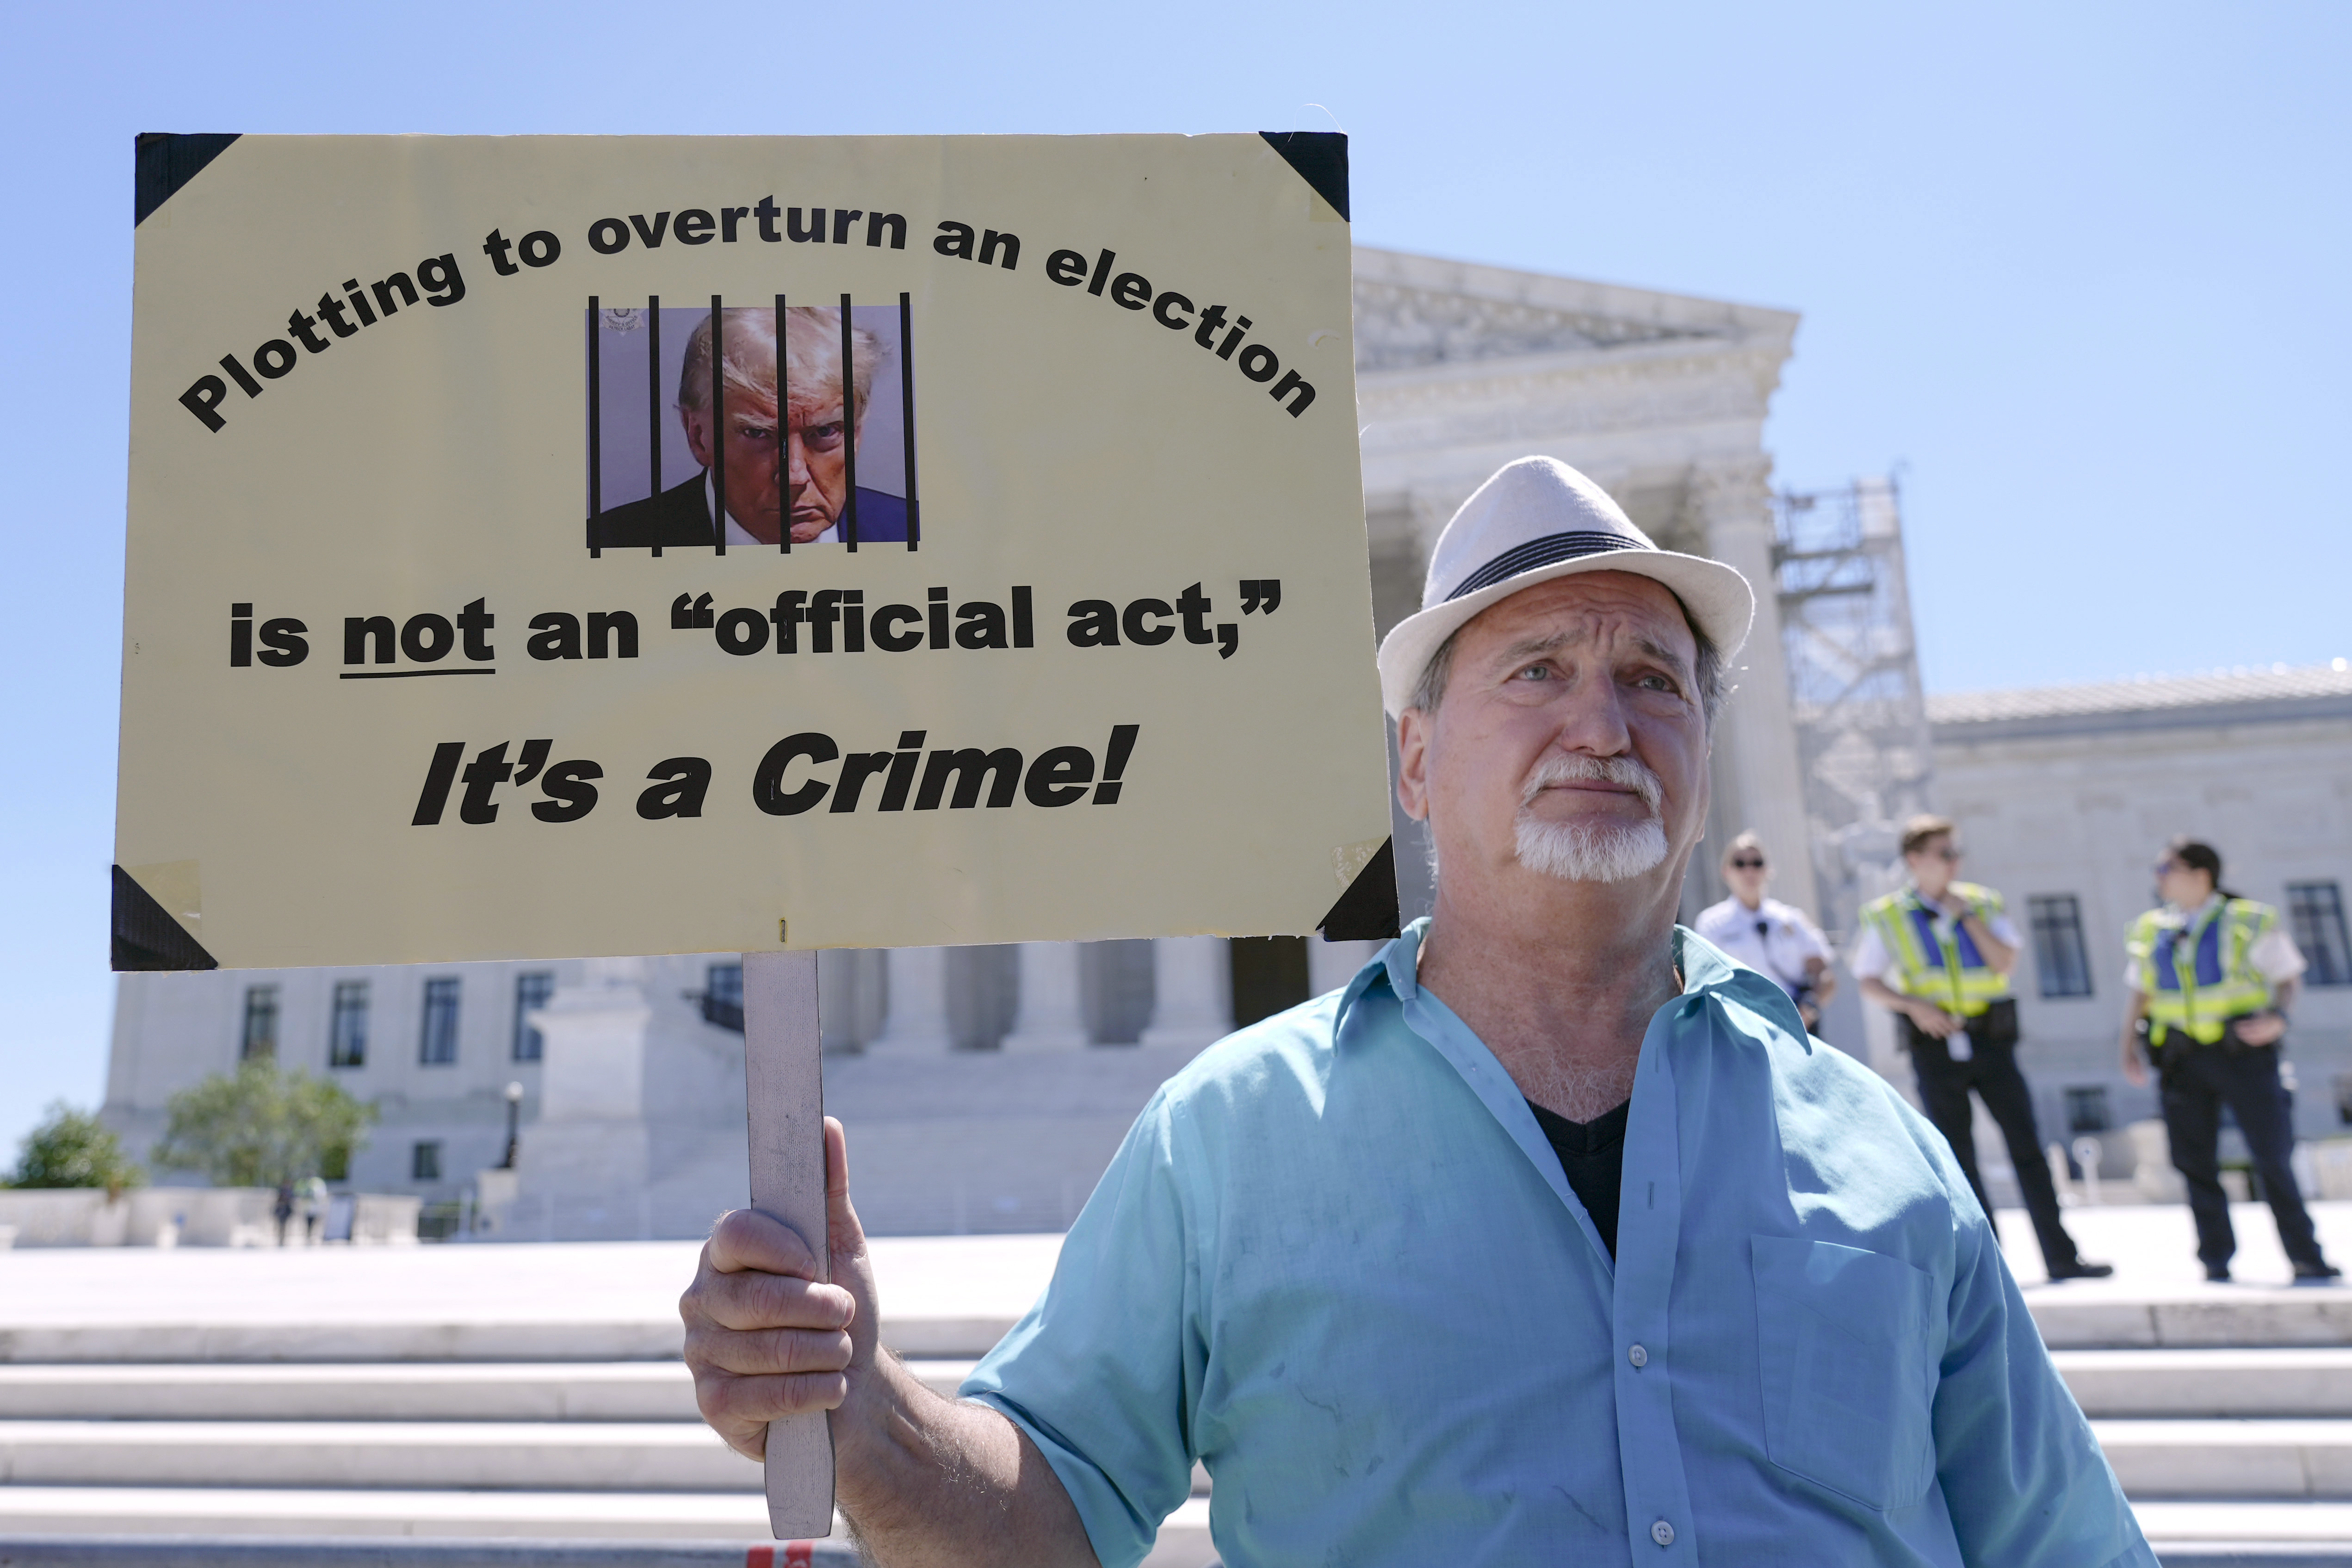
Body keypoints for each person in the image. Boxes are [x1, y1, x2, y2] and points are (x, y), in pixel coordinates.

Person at [679, 456, 2149, 1566]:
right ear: (1410, 762)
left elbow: (2059, 1540)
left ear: (1703, 750)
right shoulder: (1233, 1139)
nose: (1602, 721)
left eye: (1653, 677)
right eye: (1535, 669)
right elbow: (1054, 1503)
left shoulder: (1882, 1153)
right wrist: (865, 1417)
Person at [1853, 817, 2111, 1283]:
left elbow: (2004, 961)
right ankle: (1986, 1267)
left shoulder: (1981, 903)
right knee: (1958, 1156)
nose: (1955, 862)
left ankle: (2060, 1255)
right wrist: (1911, 1005)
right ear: (1914, 860)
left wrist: (1965, 916)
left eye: (1955, 853)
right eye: (1943, 853)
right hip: (1932, 1043)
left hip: (1990, 1039)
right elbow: (1867, 978)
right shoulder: (1887, 914)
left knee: (2026, 1146)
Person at [2121, 838, 2338, 1284]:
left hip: (2242, 1052)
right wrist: (2127, 1045)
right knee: (2194, 1161)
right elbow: (2141, 991)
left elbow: (2288, 977)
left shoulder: (2249, 919)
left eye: (2168, 868)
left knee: (2273, 1154)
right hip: (2180, 1057)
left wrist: (2279, 1018)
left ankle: (2305, 1254)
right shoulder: (2151, 927)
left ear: (2202, 875)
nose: (2159, 877)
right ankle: (2215, 1258)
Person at [594, 305, 909, 550]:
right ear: (698, 436)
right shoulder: (606, 547)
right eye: (758, 433)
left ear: (856, 433)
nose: (794, 475)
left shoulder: (917, 533)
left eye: (825, 432)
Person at [1693, 831, 1836, 1029]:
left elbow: (1824, 974)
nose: (1749, 871)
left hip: (1796, 1023)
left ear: (1768, 870)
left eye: (1757, 863)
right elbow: (1706, 982)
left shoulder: (1791, 919)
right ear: (1726, 871)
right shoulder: (1711, 924)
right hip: (1742, 1027)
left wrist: (1810, 1006)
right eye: (1740, 863)